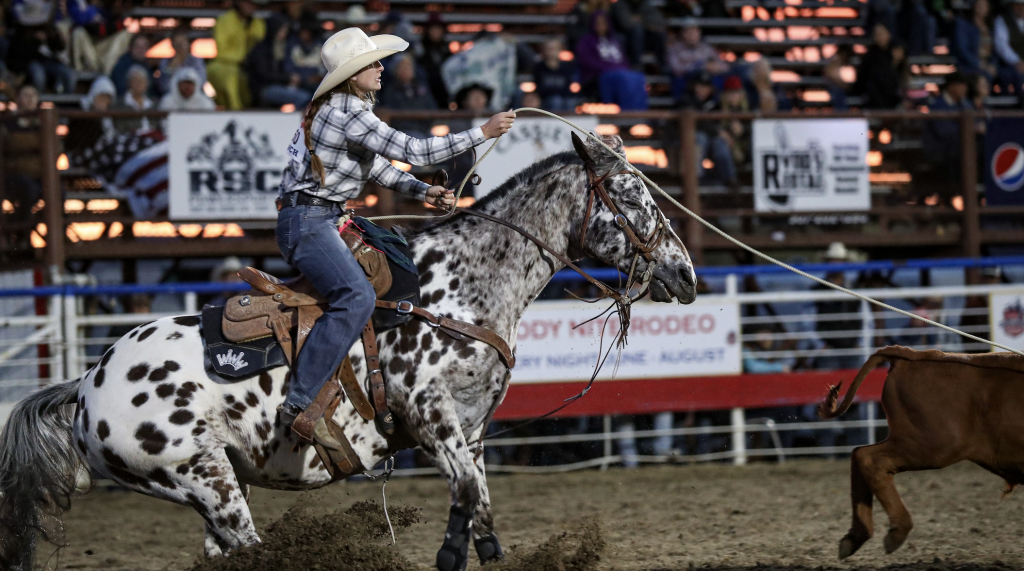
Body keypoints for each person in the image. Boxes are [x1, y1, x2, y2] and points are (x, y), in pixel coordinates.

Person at [274, 28, 515, 436]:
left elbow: (377, 167)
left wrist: (422, 190)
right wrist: (481, 133)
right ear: (352, 75)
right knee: (356, 296)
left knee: (393, 266)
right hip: (313, 222)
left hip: (317, 218)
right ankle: (299, 399)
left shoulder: (337, 109)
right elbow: (414, 151)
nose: (381, 67)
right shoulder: (348, 111)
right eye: (371, 63)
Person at [575, 11, 648, 109]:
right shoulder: (586, 41)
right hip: (598, 75)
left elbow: (623, 60)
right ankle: (626, 112)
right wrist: (611, 67)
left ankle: (639, 113)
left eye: (603, 23)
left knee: (638, 77)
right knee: (622, 77)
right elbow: (587, 62)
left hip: (618, 72)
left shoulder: (614, 40)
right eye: (598, 23)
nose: (600, 26)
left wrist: (619, 68)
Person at [207, 0, 266, 110]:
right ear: (239, 2)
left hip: (250, 67)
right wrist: (241, 57)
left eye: (254, 4)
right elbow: (222, 50)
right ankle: (235, 112)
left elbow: (260, 48)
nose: (251, 7)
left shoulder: (257, 23)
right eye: (249, 3)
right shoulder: (224, 20)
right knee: (229, 78)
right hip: (225, 64)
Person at [813, 242, 863, 371]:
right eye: (832, 260)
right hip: (829, 349)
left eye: (839, 260)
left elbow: (865, 317)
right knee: (828, 388)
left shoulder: (855, 288)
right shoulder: (817, 290)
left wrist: (861, 343)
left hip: (852, 348)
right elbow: (807, 320)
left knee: (855, 387)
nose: (835, 264)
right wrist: (819, 344)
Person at [247, 14, 311, 108]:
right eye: (283, 30)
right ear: (274, 29)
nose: (285, 33)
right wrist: (288, 78)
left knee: (310, 91)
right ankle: (301, 121)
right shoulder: (262, 49)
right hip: (264, 88)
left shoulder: (279, 47)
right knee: (302, 97)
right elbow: (265, 75)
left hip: (279, 85)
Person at [855, 24, 907, 108]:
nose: (879, 37)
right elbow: (862, 80)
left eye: (882, 34)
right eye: (877, 34)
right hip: (874, 100)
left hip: (891, 100)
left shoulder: (893, 53)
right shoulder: (870, 56)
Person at [609, 0, 665, 66]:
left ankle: (661, 64)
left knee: (659, 33)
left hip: (642, 38)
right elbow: (625, 23)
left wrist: (639, 19)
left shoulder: (644, 4)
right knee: (637, 30)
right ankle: (636, 64)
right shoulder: (620, 4)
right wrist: (644, 22)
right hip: (624, 37)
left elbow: (659, 21)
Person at [952, 0, 996, 83]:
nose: (982, 8)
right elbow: (962, 49)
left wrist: (993, 66)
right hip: (969, 65)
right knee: (984, 76)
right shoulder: (963, 25)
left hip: (987, 64)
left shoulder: (990, 27)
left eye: (985, 5)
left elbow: (995, 52)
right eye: (979, 5)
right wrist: (979, 64)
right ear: (974, 6)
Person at [157, 27, 207, 96]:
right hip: (173, 99)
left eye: (183, 43)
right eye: (177, 44)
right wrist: (171, 67)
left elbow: (201, 82)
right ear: (172, 45)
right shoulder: (166, 62)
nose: (180, 47)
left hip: (194, 98)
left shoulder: (196, 61)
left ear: (188, 44)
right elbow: (164, 87)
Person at [533, 39, 577, 111]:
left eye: (554, 49)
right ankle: (556, 122)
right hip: (546, 101)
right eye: (549, 49)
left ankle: (570, 122)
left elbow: (568, 88)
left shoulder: (566, 67)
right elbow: (540, 89)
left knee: (570, 102)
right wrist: (557, 92)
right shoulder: (539, 67)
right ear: (544, 50)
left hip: (563, 98)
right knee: (556, 100)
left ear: (559, 50)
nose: (551, 52)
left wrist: (554, 91)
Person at [994, 0, 1024, 104]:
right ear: (1012, 6)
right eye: (1017, 5)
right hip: (1009, 65)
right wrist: (1017, 61)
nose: (1020, 8)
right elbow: (1002, 46)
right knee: (1012, 76)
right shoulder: (1002, 20)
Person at [284, 19, 324, 95]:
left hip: (317, 81)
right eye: (302, 32)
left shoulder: (320, 44)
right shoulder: (292, 44)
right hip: (297, 81)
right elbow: (288, 65)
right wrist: (299, 76)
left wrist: (318, 76)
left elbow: (325, 66)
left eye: (307, 32)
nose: (304, 34)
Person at [418, 13, 451, 108]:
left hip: (444, 95)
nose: (436, 32)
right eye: (433, 29)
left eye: (439, 29)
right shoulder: (421, 51)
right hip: (427, 92)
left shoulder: (446, 51)